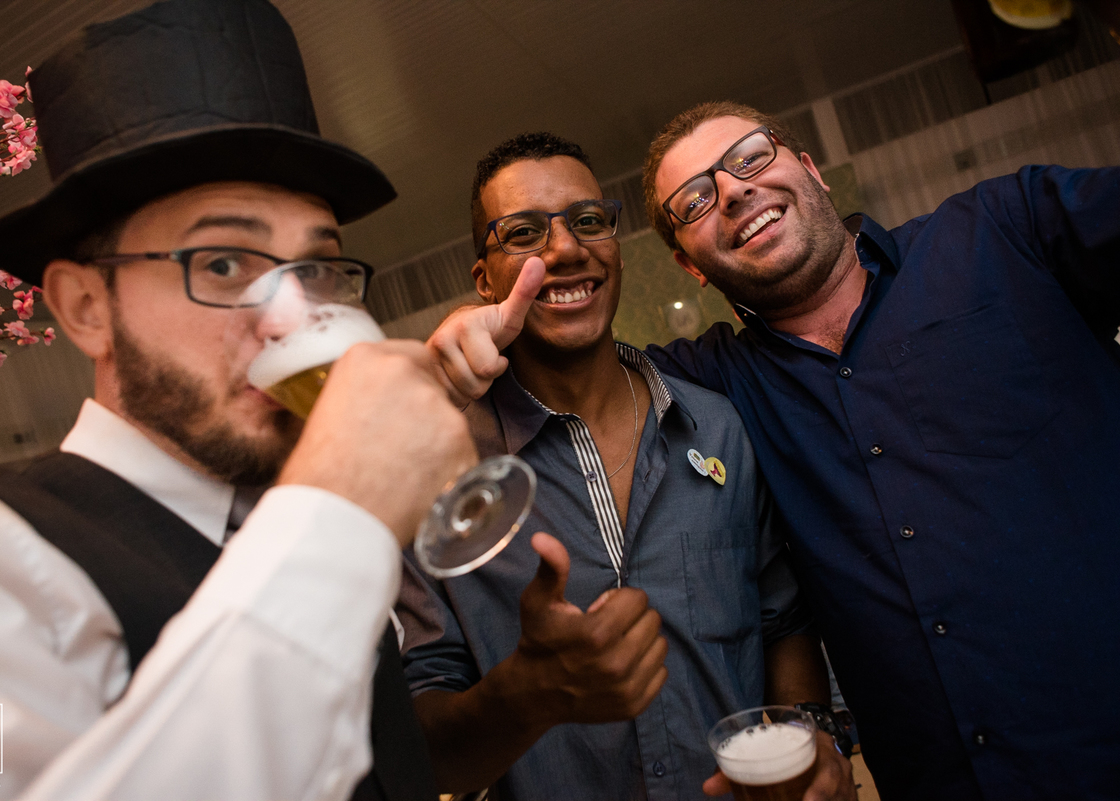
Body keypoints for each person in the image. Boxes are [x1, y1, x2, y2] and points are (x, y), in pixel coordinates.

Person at [428, 101, 1120, 801]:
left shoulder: (1003, 232)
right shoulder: (718, 385)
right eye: (694, 200)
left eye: (750, 157)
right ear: (688, 264)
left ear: (811, 169)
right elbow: (572, 360)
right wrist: (464, 338)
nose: (732, 190)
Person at [0, 1, 476, 799]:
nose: (287, 319)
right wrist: (338, 516)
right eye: (222, 263)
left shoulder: (294, 509)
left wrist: (528, 698)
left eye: (315, 269)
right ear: (86, 308)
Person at [399, 132, 854, 801]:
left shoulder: (717, 427)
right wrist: (526, 693)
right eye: (523, 232)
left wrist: (808, 737)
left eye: (588, 221)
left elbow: (782, 622)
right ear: (484, 278)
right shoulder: (433, 470)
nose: (565, 249)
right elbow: (423, 735)